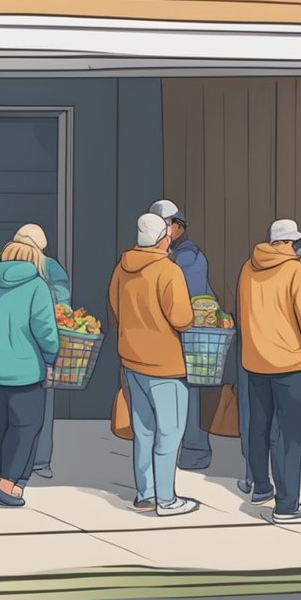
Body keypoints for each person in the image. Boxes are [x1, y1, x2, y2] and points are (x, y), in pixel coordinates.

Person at [238, 219, 301, 521]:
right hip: (291, 363)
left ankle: (261, 487)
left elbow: (243, 314)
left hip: (255, 362)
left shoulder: (247, 269)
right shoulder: (295, 271)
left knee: (259, 427)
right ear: (290, 243)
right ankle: (287, 503)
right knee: (288, 436)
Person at [108, 213, 200, 516]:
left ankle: (145, 493)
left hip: (132, 361)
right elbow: (182, 319)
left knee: (144, 431)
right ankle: (167, 500)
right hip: (165, 365)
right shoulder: (168, 271)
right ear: (165, 238)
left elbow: (115, 306)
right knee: (169, 433)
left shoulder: (122, 268)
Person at [0, 241, 60, 508]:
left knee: (1, 428)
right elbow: (45, 330)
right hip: (23, 370)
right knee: (25, 427)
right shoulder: (36, 286)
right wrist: (49, 357)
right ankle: (9, 486)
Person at [0, 224, 69, 482]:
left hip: (6, 347)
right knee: (37, 408)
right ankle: (38, 460)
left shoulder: (0, 267)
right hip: (36, 346)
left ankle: (10, 462)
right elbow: (62, 300)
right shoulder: (47, 267)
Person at [149, 199, 214, 472]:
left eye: (163, 226)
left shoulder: (187, 256)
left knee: (188, 390)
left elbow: (188, 299)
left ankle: (195, 450)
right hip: (177, 331)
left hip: (190, 332)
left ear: (176, 227)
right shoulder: (173, 254)